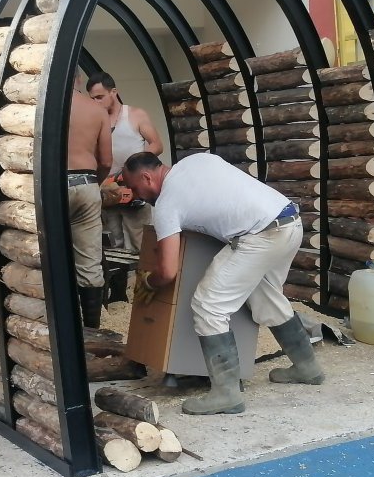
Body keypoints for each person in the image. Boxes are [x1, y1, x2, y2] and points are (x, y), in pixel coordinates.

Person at [122, 152, 325, 415]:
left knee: (208, 306)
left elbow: (168, 271)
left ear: (147, 177)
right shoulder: (196, 161)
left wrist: (148, 281)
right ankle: (307, 368)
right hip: (289, 223)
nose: (134, 194)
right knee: (265, 297)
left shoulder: (167, 205)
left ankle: (226, 393)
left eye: (133, 187)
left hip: (259, 235)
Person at [87, 72, 163, 303]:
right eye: (92, 98)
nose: (96, 102)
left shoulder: (135, 114)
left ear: (114, 92)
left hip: (134, 187)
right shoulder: (94, 119)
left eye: (100, 96)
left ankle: (146, 294)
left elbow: (157, 144)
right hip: (106, 188)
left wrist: (132, 168)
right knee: (112, 243)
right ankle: (118, 295)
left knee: (140, 242)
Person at [67, 84, 112, 329]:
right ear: (78, 79)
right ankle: (91, 330)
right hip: (86, 183)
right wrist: (95, 183)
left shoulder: (40, 103)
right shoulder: (96, 110)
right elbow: (106, 160)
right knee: (89, 261)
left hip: (49, 186)